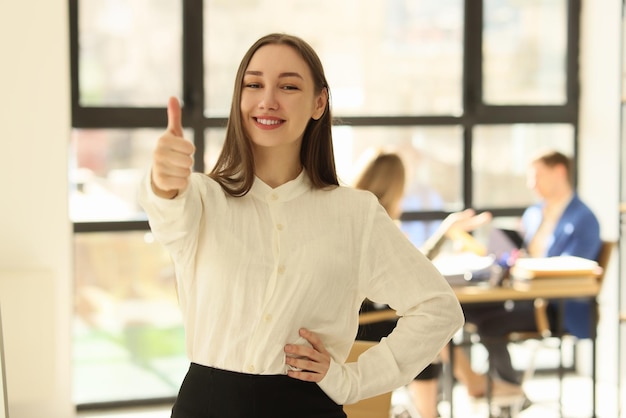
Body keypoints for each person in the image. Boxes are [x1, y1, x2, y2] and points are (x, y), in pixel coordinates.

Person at [138, 33, 464, 418]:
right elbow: (167, 214)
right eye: (254, 84)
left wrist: (353, 381)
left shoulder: (354, 214)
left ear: (318, 102)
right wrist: (163, 179)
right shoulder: (202, 198)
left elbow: (438, 309)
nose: (267, 100)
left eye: (288, 86)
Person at [352, 151, 509, 418]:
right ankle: (438, 407)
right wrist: (445, 231)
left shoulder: (359, 213)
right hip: (361, 321)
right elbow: (409, 269)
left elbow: (405, 267)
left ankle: (444, 401)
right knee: (429, 327)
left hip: (363, 314)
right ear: (394, 187)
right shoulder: (372, 219)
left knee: (429, 325)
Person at [462, 150, 602, 388]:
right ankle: (491, 386)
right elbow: (520, 255)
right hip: (521, 297)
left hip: (557, 308)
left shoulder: (583, 219)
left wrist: (525, 265)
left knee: (490, 324)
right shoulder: (533, 214)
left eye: (536, 176)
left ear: (560, 172)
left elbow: (572, 270)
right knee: (463, 309)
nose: (531, 184)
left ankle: (509, 389)